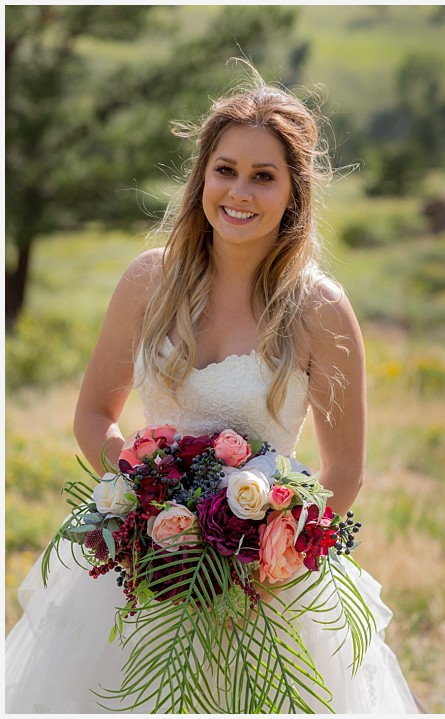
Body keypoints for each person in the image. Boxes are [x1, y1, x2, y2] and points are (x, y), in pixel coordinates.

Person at [5, 77, 420, 713]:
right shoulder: (149, 282)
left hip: (264, 584)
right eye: (225, 170)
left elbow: (344, 472)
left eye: (264, 176)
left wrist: (258, 554)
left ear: (293, 194)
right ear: (202, 178)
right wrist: (143, 499)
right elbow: (94, 416)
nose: (239, 192)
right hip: (145, 566)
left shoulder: (320, 311)